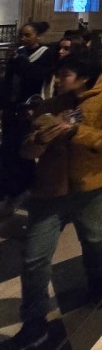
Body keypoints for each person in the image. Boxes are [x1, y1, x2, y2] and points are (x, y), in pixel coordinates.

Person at [0, 50, 102, 350]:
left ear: (84, 77)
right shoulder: (50, 105)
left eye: (65, 74)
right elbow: (27, 150)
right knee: (35, 257)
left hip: (90, 188)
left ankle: (97, 283)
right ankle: (34, 321)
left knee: (93, 239)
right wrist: (40, 140)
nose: (58, 79)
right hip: (49, 189)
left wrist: (75, 132)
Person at [0, 21, 55, 210]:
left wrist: (21, 62)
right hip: (12, 108)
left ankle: (24, 188)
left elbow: (36, 76)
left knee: (24, 149)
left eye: (27, 35)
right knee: (7, 149)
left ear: (37, 36)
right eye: (21, 35)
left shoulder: (45, 54)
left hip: (30, 110)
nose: (23, 38)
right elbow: (8, 80)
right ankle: (8, 189)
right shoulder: (18, 52)